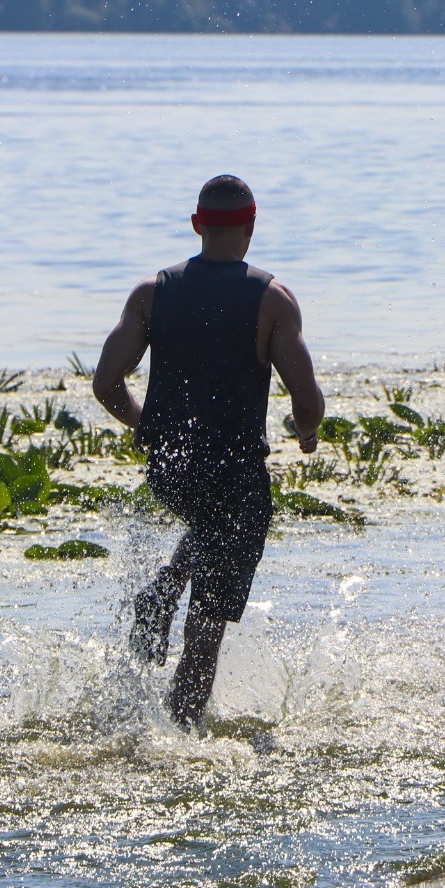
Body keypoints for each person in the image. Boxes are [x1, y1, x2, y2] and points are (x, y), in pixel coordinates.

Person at [92, 175, 325, 728]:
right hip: (237, 474)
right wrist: (305, 432)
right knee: (207, 623)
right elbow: (307, 400)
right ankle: (183, 733)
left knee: (206, 523)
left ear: (198, 224)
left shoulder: (151, 292)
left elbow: (106, 382)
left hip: (172, 469)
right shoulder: (272, 299)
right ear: (251, 226)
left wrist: (148, 426)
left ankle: (167, 585)